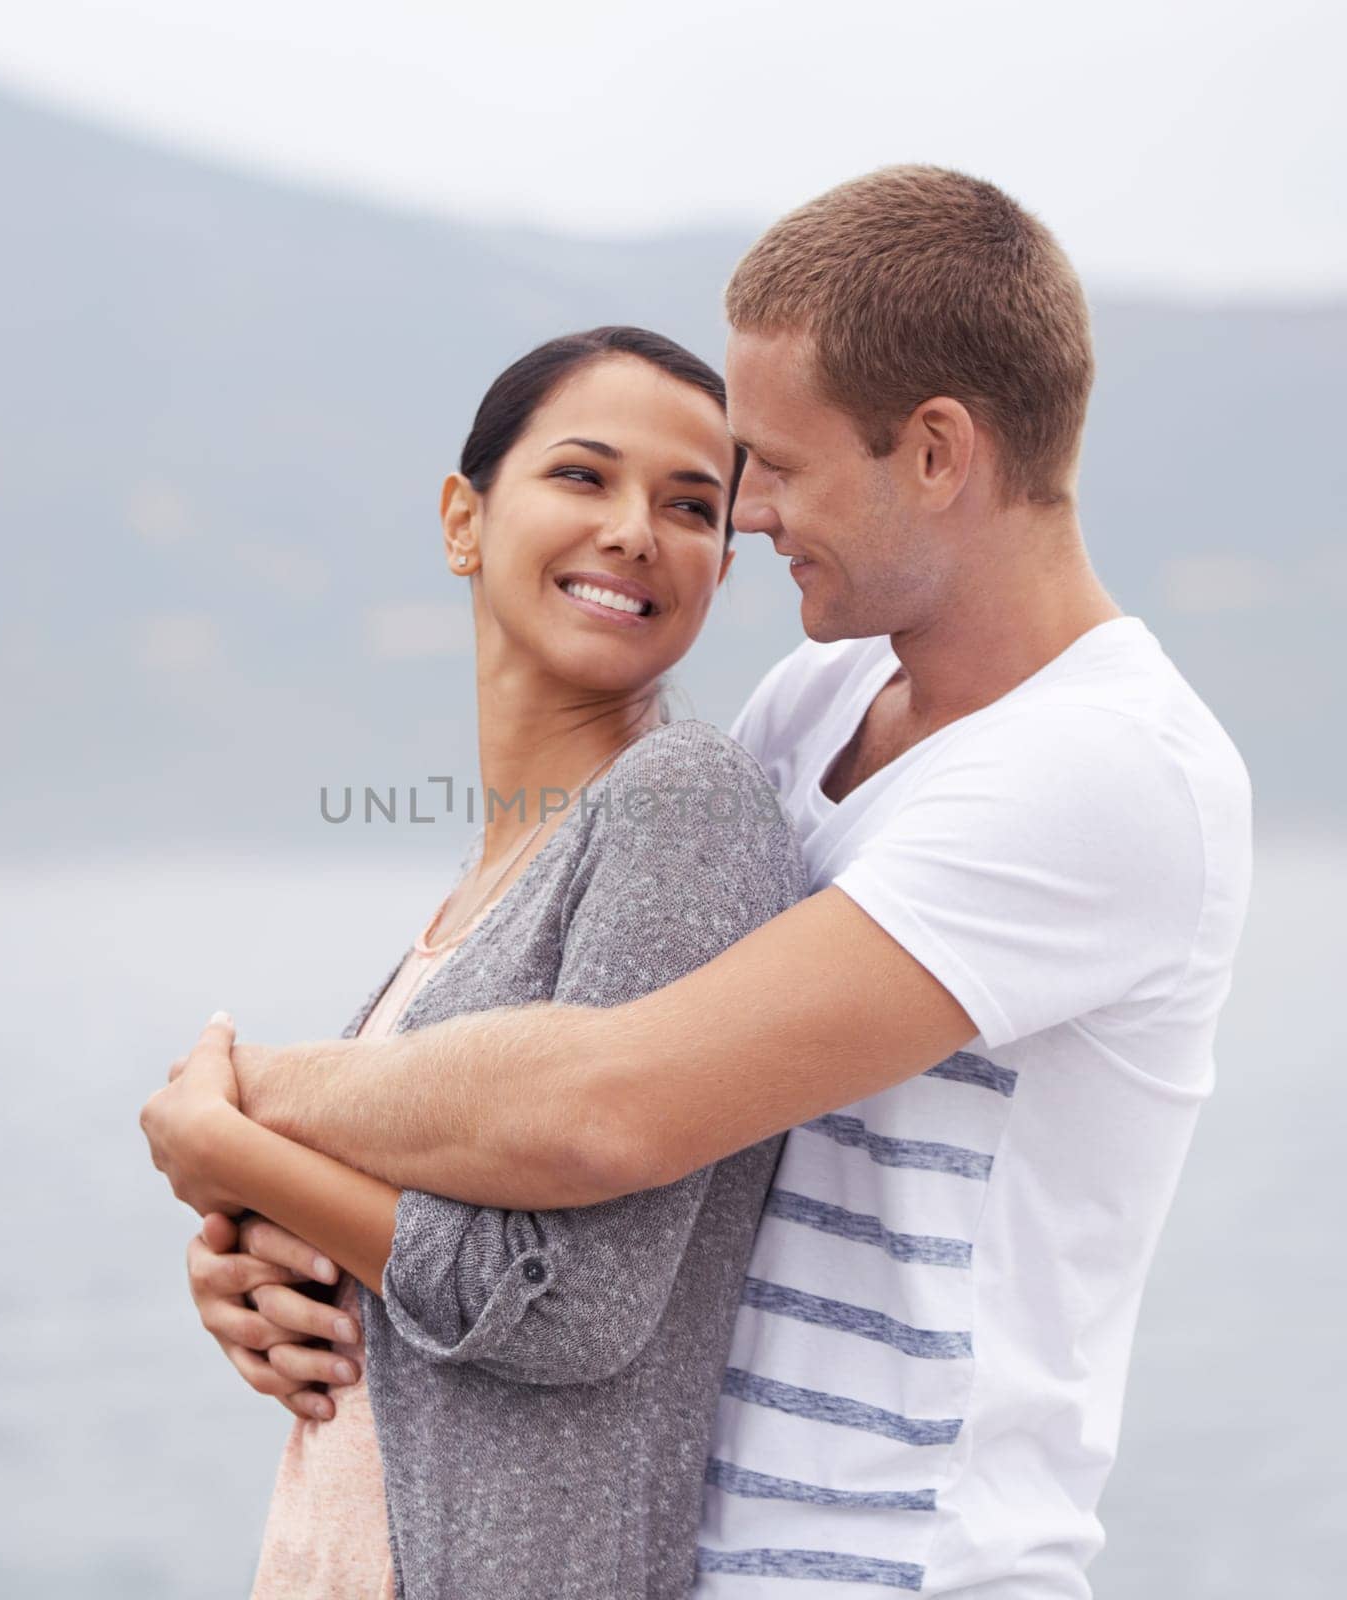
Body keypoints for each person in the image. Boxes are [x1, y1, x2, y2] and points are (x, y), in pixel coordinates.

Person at [156, 166, 1254, 1596]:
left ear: (934, 452)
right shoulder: (814, 704)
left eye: (772, 469)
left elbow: (606, 1105)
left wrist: (230, 1108)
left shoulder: (1108, 774)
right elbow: (569, 1096)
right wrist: (273, 1231)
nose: (744, 519)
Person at [141, 325, 811, 1597]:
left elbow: (567, 1306)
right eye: (583, 476)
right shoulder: (474, 895)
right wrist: (251, 1246)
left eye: (689, 505)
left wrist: (227, 1145)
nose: (634, 529)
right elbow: (412, 1262)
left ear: (723, 564)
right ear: (464, 518)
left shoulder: (682, 800)